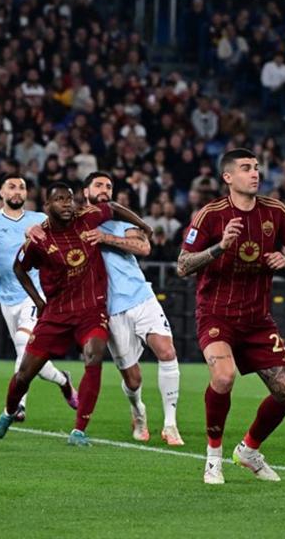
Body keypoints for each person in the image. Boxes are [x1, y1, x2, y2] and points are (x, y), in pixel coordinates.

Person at [176, 148, 285, 485]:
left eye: (257, 168)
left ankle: (248, 451)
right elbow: (182, 265)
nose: (255, 173)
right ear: (228, 177)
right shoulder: (210, 215)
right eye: (247, 168)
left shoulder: (275, 211)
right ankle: (212, 459)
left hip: (257, 319)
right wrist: (219, 247)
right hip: (216, 314)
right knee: (223, 377)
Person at [0, 183, 152, 446]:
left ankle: (79, 430)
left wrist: (144, 226)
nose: (67, 204)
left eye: (69, 198)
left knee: (94, 355)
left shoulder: (86, 218)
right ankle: (8, 412)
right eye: (59, 200)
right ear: (47, 207)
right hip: (56, 313)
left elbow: (111, 207)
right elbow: (19, 268)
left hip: (91, 309)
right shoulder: (39, 239)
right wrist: (37, 300)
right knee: (24, 375)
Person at [83, 172, 184, 446]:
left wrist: (106, 238)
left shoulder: (118, 222)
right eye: (99, 185)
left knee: (167, 351)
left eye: (109, 186)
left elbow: (143, 246)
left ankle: (170, 424)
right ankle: (138, 411)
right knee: (133, 378)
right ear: (85, 192)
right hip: (111, 310)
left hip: (141, 297)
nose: (105, 189)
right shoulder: (76, 226)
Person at [0, 174, 77, 421]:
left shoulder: (41, 219)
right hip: (6, 298)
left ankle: (18, 406)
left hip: (35, 295)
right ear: (1, 193)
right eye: (11, 187)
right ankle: (63, 381)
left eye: (22, 187)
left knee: (22, 344)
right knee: (32, 358)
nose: (17, 191)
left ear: (27, 194)